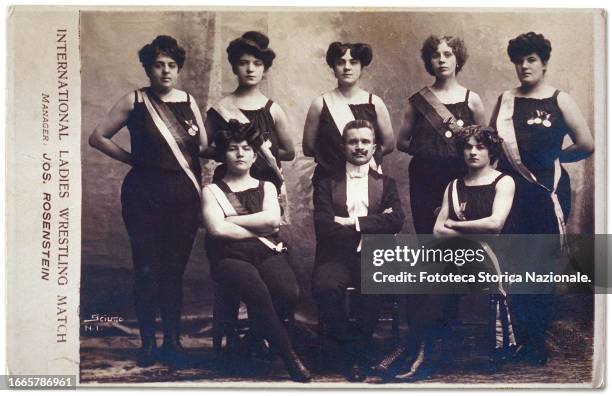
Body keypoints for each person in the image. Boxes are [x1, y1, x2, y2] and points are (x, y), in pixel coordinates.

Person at [88, 35, 207, 367]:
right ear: (147, 67)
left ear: (178, 68)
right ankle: (147, 344)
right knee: (146, 269)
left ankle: (172, 342)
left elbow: (203, 148)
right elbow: (97, 137)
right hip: (144, 196)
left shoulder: (189, 102)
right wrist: (133, 159)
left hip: (183, 196)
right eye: (158, 65)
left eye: (172, 65)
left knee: (174, 271)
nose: (166, 71)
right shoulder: (134, 100)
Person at [374, 126, 516, 381]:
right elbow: (438, 230)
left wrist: (456, 226)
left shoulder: (503, 181)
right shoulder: (453, 185)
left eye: (480, 147)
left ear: (490, 150)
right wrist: (463, 230)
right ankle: (420, 350)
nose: (473, 152)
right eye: (468, 147)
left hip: (487, 256)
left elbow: (494, 225)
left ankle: (413, 351)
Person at [490, 32, 594, 365]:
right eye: (519, 60)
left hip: (547, 193)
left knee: (541, 267)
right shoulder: (506, 99)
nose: (524, 66)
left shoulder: (559, 99)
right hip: (512, 193)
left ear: (544, 63)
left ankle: (536, 342)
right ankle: (514, 339)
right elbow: (495, 147)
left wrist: (556, 158)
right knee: (514, 265)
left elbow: (586, 144)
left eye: (531, 59)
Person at [201, 120, 311, 383]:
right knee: (258, 293)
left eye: (246, 148)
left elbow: (273, 222)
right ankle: (290, 359)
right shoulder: (211, 191)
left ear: (254, 154)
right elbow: (217, 231)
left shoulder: (267, 186)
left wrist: (230, 219)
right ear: (223, 155)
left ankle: (251, 340)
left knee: (288, 292)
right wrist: (256, 226)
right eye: (233, 148)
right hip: (228, 255)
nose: (240, 153)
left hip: (264, 251)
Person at [311, 119, 405, 382]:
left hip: (374, 255)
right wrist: (375, 223)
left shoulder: (386, 183)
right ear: (343, 147)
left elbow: (396, 220)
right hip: (336, 255)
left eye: (365, 142)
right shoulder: (326, 184)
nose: (359, 147)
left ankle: (353, 355)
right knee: (325, 288)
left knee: (373, 286)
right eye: (353, 141)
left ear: (375, 147)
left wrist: (353, 222)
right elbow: (324, 227)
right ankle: (353, 348)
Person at [396, 35, 487, 234]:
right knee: (428, 233)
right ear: (430, 62)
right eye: (436, 56)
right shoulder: (419, 102)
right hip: (425, 177)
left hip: (461, 174)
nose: (442, 60)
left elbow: (485, 144)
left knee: (460, 232)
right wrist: (428, 150)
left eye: (448, 54)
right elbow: (401, 142)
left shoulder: (472, 100)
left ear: (458, 60)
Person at [204, 31, 294, 221]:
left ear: (265, 69)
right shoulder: (220, 109)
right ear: (234, 68)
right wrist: (229, 152)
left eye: (257, 64)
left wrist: (264, 150)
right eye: (243, 63)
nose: (250, 69)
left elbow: (289, 152)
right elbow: (202, 148)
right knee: (229, 229)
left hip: (266, 183)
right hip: (229, 184)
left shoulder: (273, 109)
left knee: (265, 237)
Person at [302, 41, 394, 186]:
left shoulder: (375, 103)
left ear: (361, 67)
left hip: (366, 178)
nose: (347, 68)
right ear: (333, 68)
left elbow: (388, 145)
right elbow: (308, 148)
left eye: (353, 62)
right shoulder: (320, 104)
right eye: (340, 62)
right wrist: (334, 160)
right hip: (330, 180)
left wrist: (361, 159)